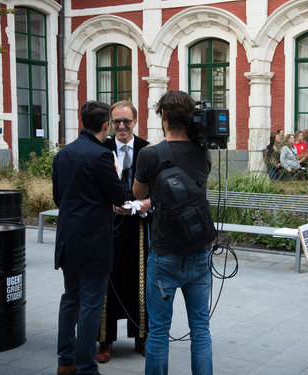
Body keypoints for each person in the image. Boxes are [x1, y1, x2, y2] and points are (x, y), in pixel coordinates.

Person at [132, 90, 213, 375]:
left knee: (158, 332)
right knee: (201, 331)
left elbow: (138, 193)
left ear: (163, 116)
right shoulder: (203, 152)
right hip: (199, 253)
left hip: (164, 254)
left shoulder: (149, 155)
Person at [53, 100, 127, 375]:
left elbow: (58, 197)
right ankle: (86, 367)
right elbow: (118, 198)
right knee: (91, 305)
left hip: (67, 240)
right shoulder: (102, 156)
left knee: (70, 299)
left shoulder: (63, 154)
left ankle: (65, 362)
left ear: (83, 121)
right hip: (94, 242)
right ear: (106, 125)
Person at [96, 101, 151, 362]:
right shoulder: (101, 149)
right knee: (106, 283)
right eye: (116, 121)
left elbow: (156, 189)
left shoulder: (146, 150)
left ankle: (141, 338)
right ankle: (105, 341)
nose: (121, 126)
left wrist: (141, 205)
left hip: (138, 226)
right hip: (108, 225)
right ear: (109, 122)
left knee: (139, 283)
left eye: (126, 121)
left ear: (135, 122)